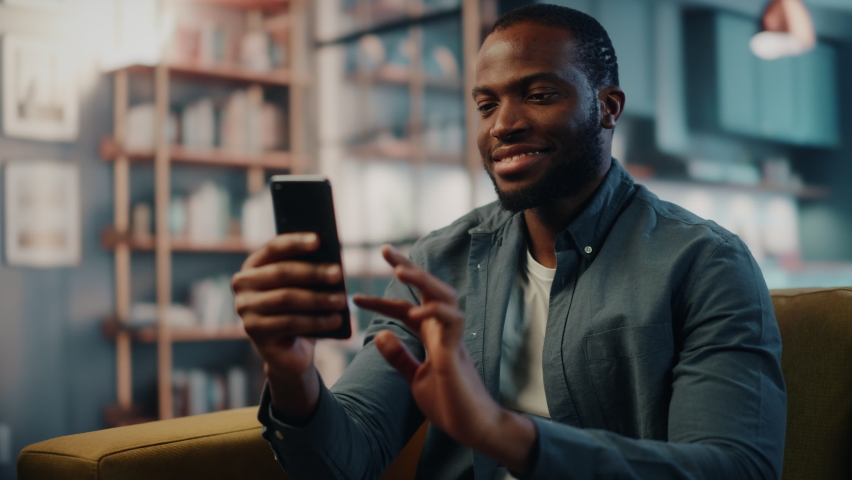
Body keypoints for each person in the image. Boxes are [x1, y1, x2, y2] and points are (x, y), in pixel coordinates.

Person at [231, 4, 786, 479]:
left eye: (539, 94)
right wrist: (292, 369)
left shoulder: (704, 262)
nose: (503, 125)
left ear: (607, 108)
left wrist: (502, 433)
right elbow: (347, 460)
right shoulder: (436, 265)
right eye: (486, 104)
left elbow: (734, 467)